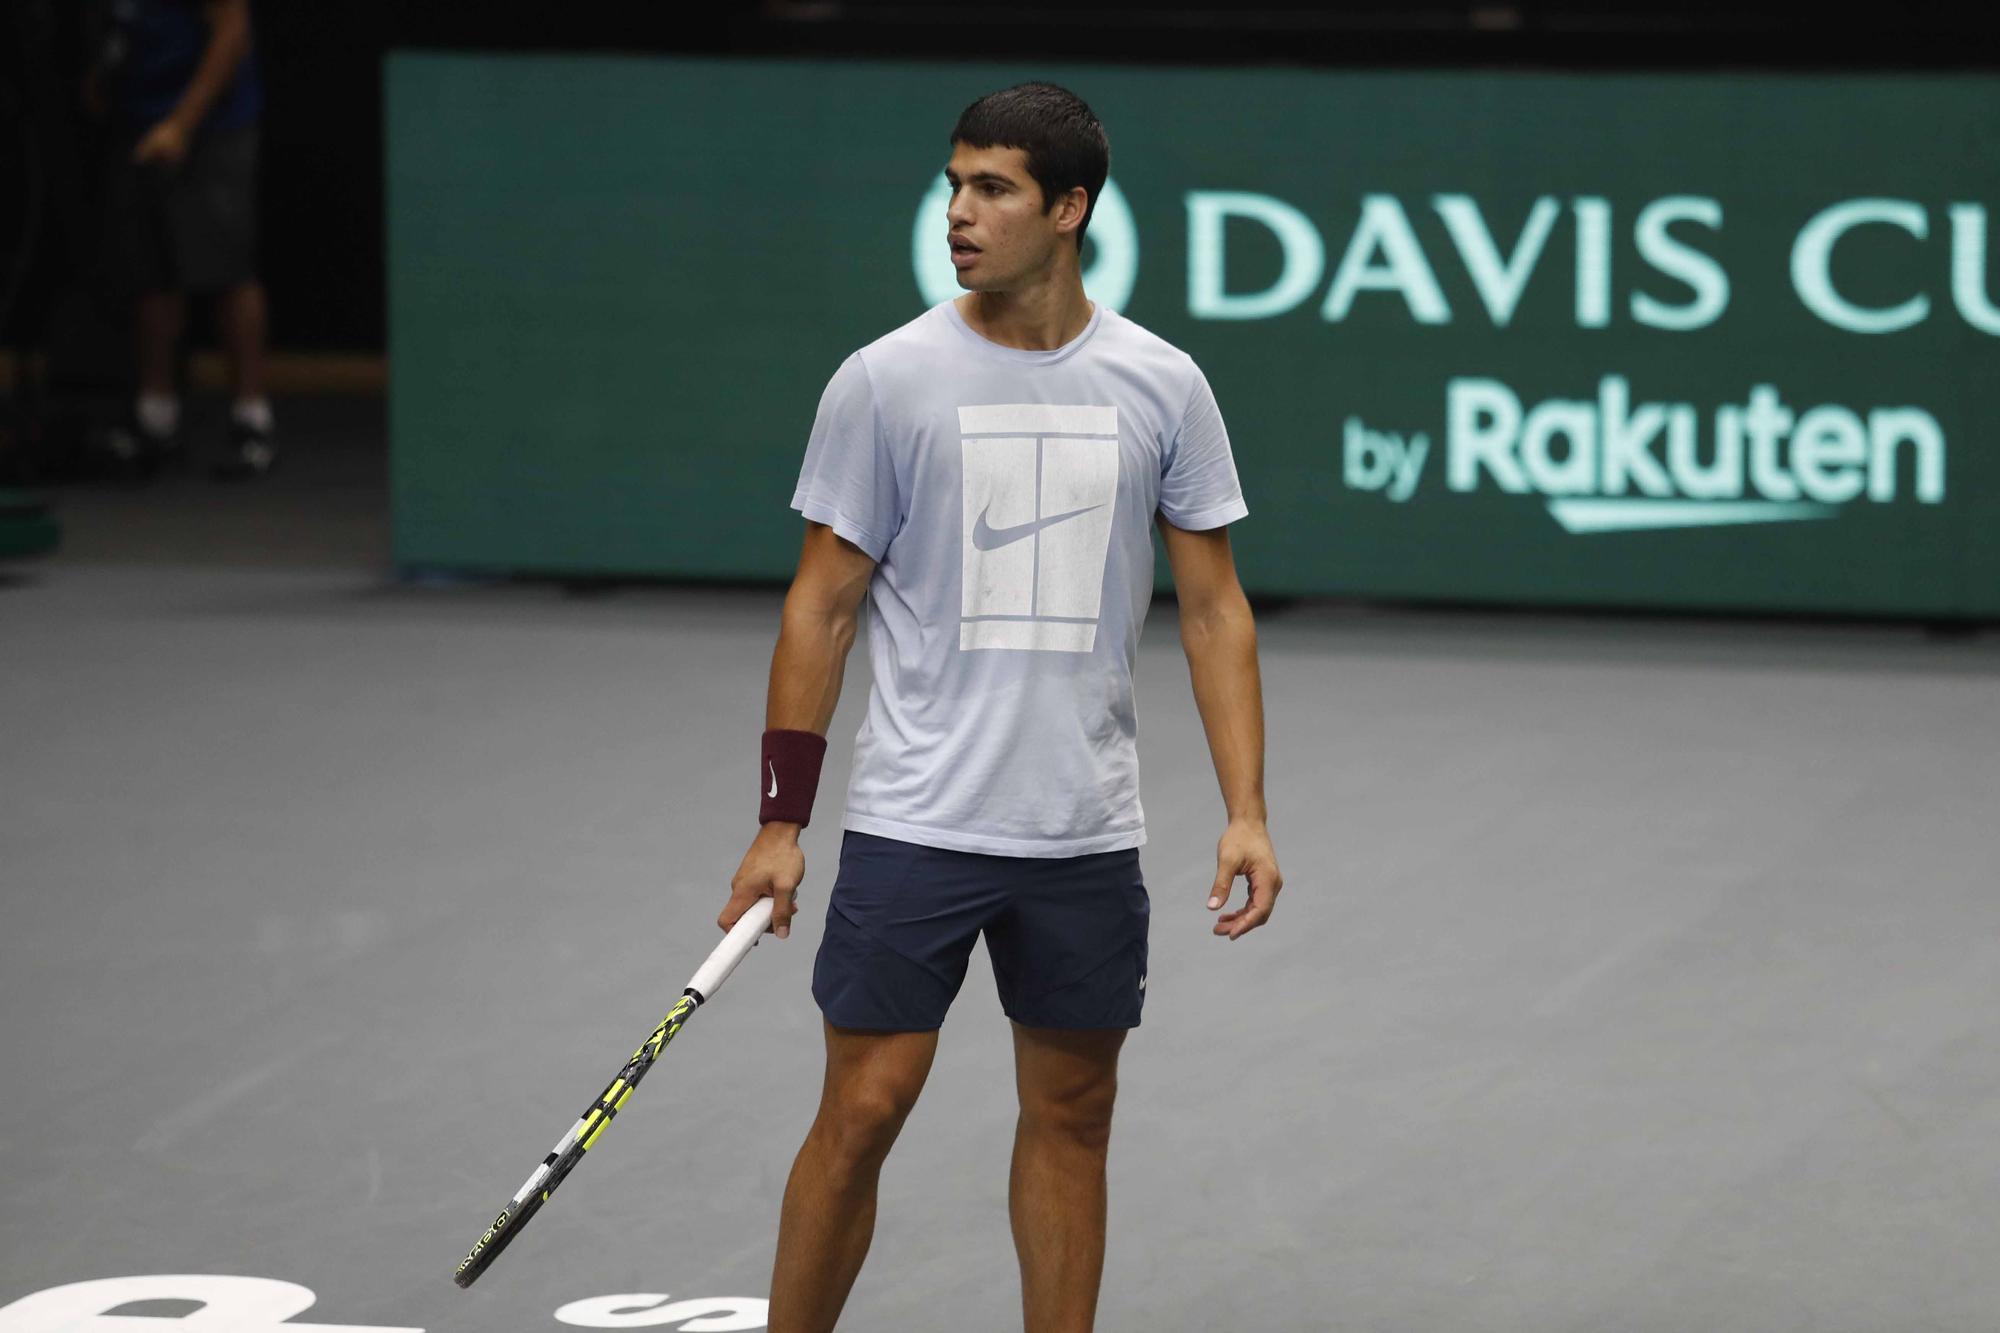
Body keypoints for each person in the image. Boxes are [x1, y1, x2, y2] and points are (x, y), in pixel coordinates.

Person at [720, 83, 1284, 1333]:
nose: (958, 214)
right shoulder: (884, 381)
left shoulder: (1163, 385)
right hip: (917, 818)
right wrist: (780, 819)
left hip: (1081, 830)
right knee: (862, 1110)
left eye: (993, 189)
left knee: (1073, 1119)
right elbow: (819, 607)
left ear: (1069, 208)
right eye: (952, 185)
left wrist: (1245, 811)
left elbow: (1212, 612)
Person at [89, 0, 274, 480]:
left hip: (213, 124)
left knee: (228, 268)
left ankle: (251, 420)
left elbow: (232, 32)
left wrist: (182, 124)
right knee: (151, 270)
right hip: (139, 118)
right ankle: (157, 417)